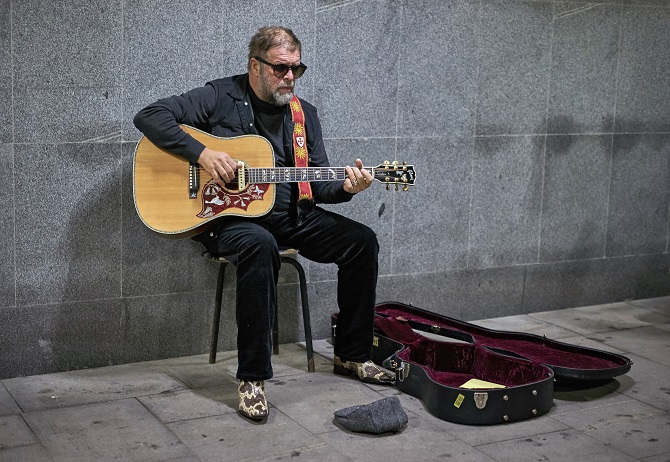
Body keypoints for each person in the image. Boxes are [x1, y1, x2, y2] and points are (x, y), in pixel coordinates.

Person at [133, 26, 394, 420]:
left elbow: (318, 183)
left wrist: (348, 188)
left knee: (362, 241)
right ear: (254, 65)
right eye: (280, 68)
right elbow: (149, 116)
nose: (290, 77)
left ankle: (352, 355)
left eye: (297, 69)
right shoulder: (220, 96)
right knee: (260, 245)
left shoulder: (304, 116)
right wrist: (203, 154)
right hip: (230, 219)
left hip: (293, 216)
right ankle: (252, 378)